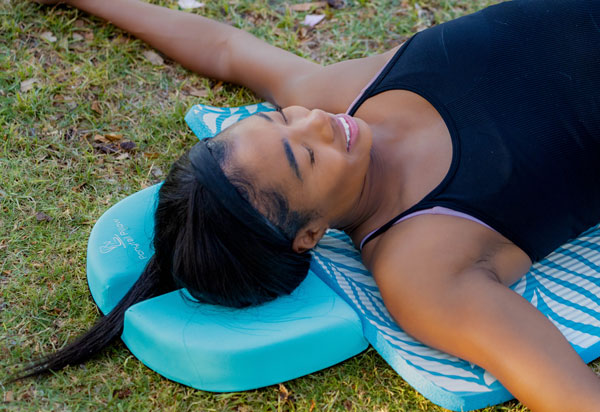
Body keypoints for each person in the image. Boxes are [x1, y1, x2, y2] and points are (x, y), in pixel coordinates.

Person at [21, 0, 600, 410]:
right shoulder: (421, 268)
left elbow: (225, 47)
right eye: (306, 160)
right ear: (310, 235)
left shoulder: (329, 100)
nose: (319, 124)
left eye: (279, 120)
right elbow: (570, 395)